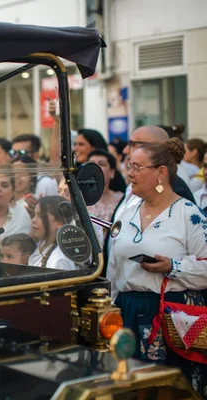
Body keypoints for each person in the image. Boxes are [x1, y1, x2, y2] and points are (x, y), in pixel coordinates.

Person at [106, 137, 207, 395]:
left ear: (161, 172)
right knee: (129, 388)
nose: (130, 173)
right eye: (129, 166)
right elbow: (113, 265)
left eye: (137, 167)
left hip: (171, 318)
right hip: (127, 311)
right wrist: (109, 305)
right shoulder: (127, 210)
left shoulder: (188, 214)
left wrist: (173, 267)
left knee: (168, 389)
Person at [28, 196, 77, 271]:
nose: (33, 220)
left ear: (59, 222)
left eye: (40, 216)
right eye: (34, 215)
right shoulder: (42, 243)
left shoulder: (59, 261)